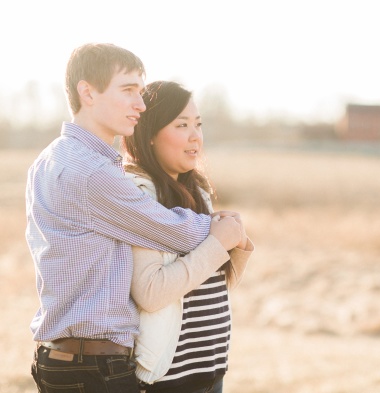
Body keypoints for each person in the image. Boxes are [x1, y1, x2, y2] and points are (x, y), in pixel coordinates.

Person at [26, 43, 243, 393]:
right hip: (93, 367)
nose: (140, 105)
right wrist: (223, 230)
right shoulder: (94, 173)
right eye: (128, 90)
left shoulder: (50, 159)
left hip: (63, 358)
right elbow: (176, 234)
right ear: (88, 92)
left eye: (140, 93)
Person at [121, 81, 254, 393]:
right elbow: (151, 293)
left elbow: (208, 288)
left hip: (210, 371)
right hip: (169, 379)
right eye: (181, 125)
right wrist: (217, 243)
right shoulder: (141, 197)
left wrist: (238, 246)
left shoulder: (198, 193)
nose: (196, 136)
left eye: (198, 124)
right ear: (150, 134)